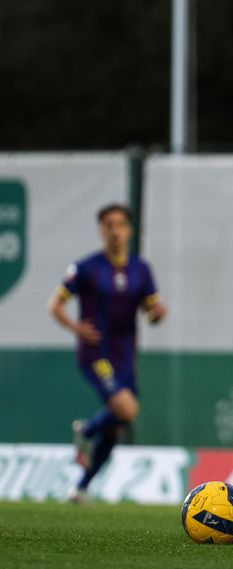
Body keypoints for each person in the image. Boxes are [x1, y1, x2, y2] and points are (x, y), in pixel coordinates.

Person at [49, 204, 167, 503]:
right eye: (108, 225)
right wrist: (76, 328)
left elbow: (151, 313)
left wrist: (157, 313)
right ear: (101, 231)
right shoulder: (87, 268)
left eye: (120, 224)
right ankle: (86, 431)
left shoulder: (141, 269)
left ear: (129, 230)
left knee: (115, 428)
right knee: (127, 409)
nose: (114, 231)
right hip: (96, 353)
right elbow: (56, 305)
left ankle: (81, 487)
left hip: (125, 355)